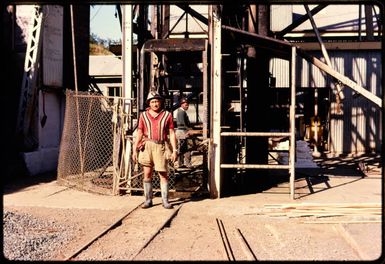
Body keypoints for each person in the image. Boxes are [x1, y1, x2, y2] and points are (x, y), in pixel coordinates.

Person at [132, 91, 178, 209]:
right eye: (152, 102)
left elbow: (171, 133)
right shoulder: (143, 115)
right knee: (147, 174)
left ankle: (165, 200)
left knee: (163, 174)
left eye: (157, 101)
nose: (155, 104)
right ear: (149, 103)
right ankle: (148, 200)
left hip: (160, 147)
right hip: (147, 146)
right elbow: (140, 132)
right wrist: (134, 150)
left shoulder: (167, 115)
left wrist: (174, 150)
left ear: (161, 102)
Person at [175, 97, 192, 168]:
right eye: (185, 105)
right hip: (182, 131)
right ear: (181, 105)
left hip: (182, 131)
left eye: (187, 105)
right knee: (186, 148)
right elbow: (182, 123)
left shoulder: (181, 111)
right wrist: (189, 129)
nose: (187, 106)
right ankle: (186, 164)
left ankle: (181, 164)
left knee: (182, 148)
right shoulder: (181, 112)